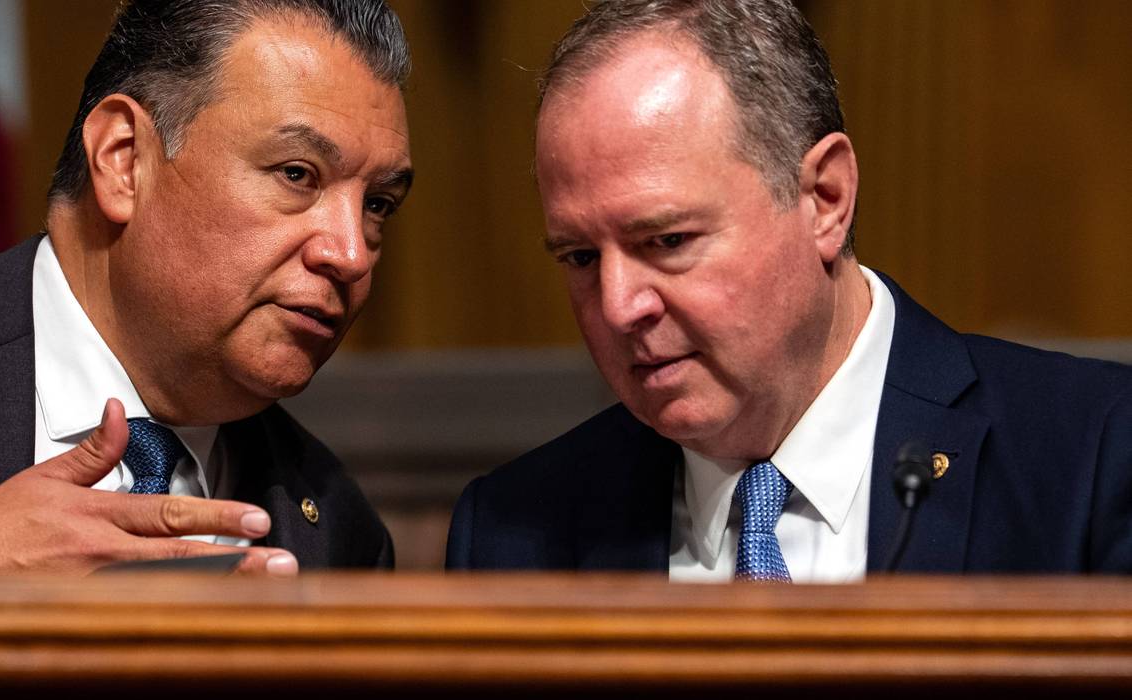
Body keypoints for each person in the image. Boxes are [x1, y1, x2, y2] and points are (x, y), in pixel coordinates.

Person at [447, 0, 1132, 579]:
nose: (619, 305)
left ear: (825, 199)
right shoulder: (513, 533)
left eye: (667, 241)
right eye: (579, 257)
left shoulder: (1095, 456)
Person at [0, 0, 413, 576]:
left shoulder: (344, 534)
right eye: (297, 174)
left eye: (378, 205)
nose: (351, 255)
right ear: (124, 160)